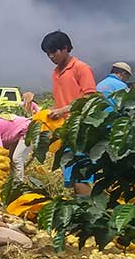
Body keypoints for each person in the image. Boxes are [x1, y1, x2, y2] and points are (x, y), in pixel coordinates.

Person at [40, 30, 96, 196]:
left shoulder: (81, 68)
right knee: (70, 174)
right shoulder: (55, 73)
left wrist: (63, 110)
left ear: (65, 48)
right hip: (65, 130)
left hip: (81, 128)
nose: (51, 56)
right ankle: (78, 211)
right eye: (48, 53)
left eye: (54, 52)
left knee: (82, 174)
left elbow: (89, 97)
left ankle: (86, 212)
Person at [0, 115, 33, 181]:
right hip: (17, 133)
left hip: (27, 129)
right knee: (10, 159)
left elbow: (0, 151)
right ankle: (13, 183)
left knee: (17, 159)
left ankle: (19, 185)